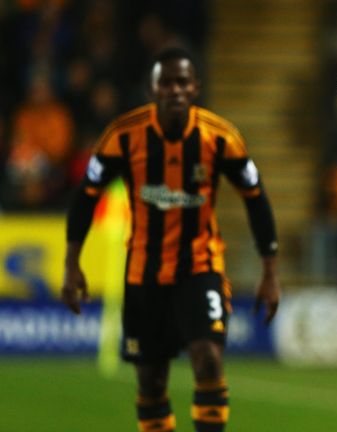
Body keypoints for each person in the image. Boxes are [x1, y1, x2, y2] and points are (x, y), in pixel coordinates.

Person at [61, 47, 281, 432]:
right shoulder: (123, 136)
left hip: (200, 265)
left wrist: (270, 271)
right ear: (153, 88)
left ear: (195, 87)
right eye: (166, 82)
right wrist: (71, 263)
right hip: (143, 272)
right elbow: (85, 196)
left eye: (182, 82)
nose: (175, 90)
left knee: (209, 359)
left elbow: (256, 198)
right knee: (150, 380)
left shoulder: (220, 137)